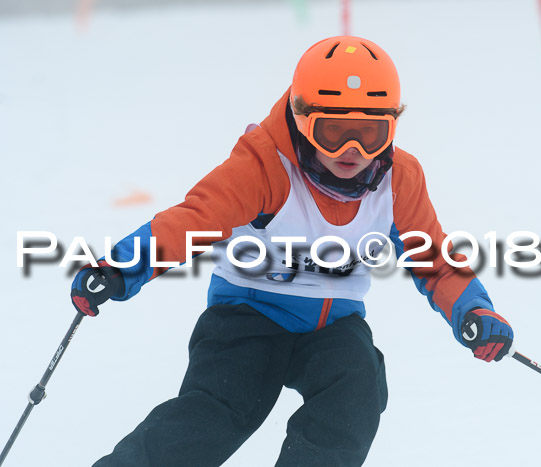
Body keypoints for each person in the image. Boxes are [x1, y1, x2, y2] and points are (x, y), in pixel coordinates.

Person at [70, 36, 514, 467]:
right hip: (247, 317)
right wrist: (119, 269)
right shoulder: (264, 165)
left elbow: (435, 262)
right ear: (302, 118)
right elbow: (194, 220)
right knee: (216, 413)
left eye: (371, 133)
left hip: (333, 326)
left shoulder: (398, 180)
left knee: (357, 389)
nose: (351, 151)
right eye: (333, 131)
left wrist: (474, 312)